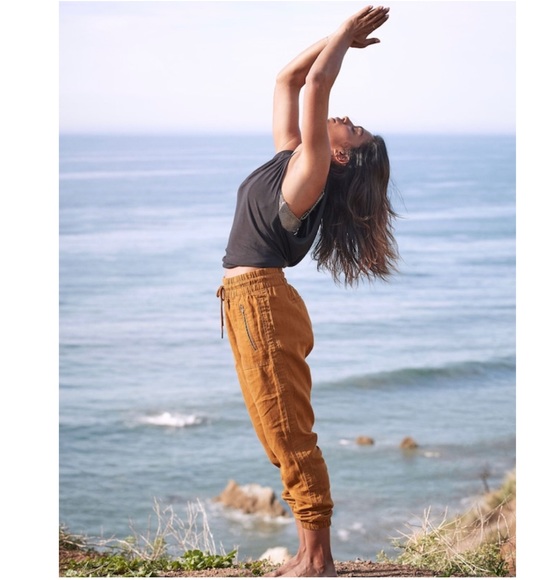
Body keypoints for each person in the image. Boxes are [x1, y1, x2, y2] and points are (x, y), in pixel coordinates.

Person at [216, 6, 398, 577]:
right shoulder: (292, 157)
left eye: (355, 129)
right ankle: (306, 551)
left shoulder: (313, 169)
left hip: (263, 304)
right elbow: (288, 80)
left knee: (291, 432)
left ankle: (317, 559)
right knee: (276, 434)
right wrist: (338, 38)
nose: (347, 119)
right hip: (246, 304)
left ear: (341, 155)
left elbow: (317, 84)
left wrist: (344, 34)